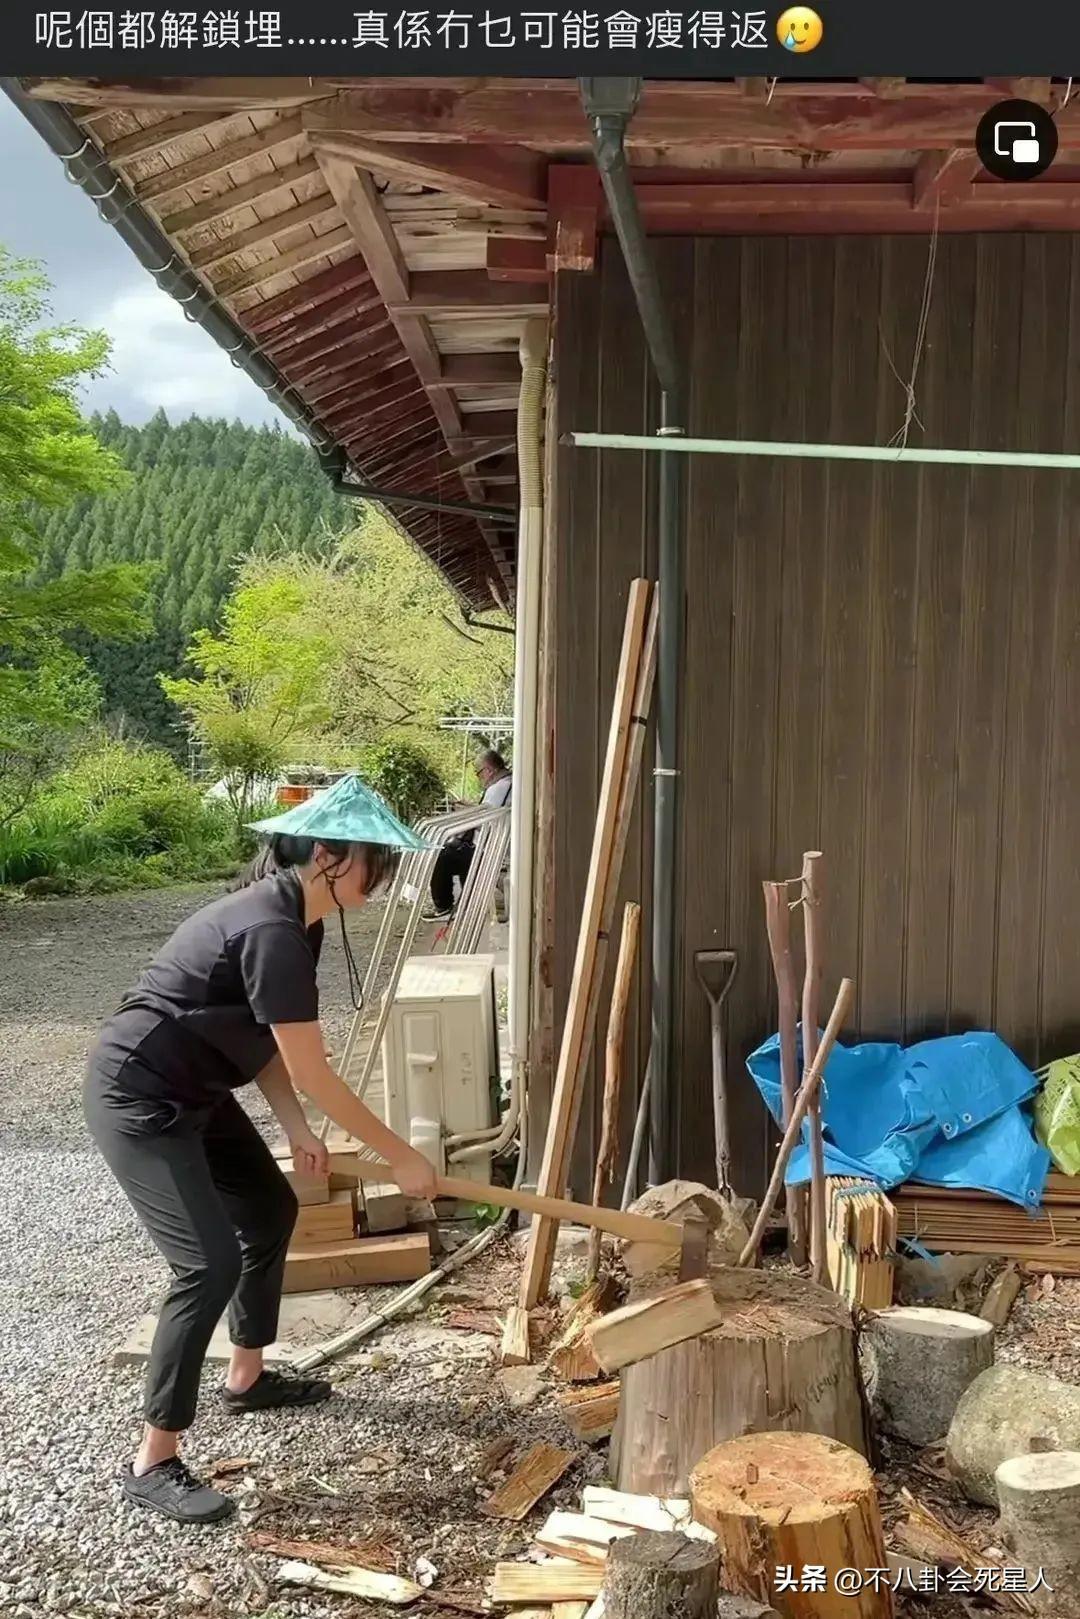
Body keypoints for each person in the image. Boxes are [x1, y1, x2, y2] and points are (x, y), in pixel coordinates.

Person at [83, 775, 439, 1527]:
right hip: (138, 1095)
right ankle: (152, 1460)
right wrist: (402, 1155)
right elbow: (315, 1070)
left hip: (198, 1090)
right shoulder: (271, 929)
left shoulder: (298, 921)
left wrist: (297, 1129)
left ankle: (246, 1378)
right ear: (329, 857)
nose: (383, 876)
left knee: (270, 1209)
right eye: (375, 860)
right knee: (205, 1263)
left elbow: (272, 1045)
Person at [426, 749, 512, 920]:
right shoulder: (506, 784)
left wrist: (464, 812)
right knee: (455, 850)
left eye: (478, 773)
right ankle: (464, 906)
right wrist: (470, 808)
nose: (478, 778)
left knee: (443, 855)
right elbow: (489, 812)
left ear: (489, 770)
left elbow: (486, 821)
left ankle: (444, 907)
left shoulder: (500, 787)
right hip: (491, 844)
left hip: (493, 847)